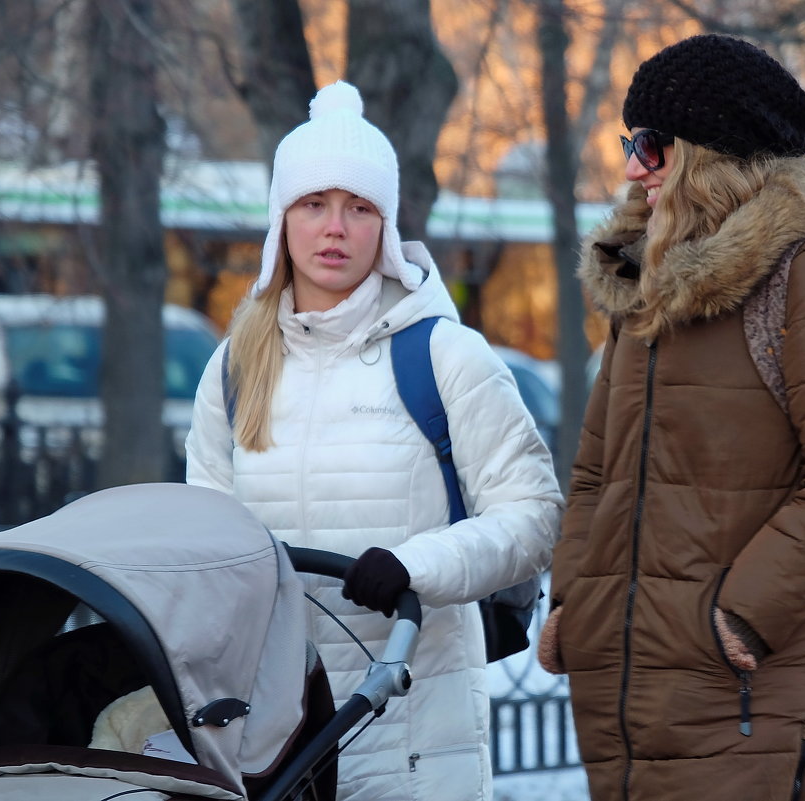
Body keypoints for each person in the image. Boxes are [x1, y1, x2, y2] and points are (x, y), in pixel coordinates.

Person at [541, 34, 805, 801]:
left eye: (651, 144)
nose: (633, 167)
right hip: (628, 696)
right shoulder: (645, 288)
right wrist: (575, 597)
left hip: (744, 694)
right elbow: (595, 472)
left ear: (711, 154)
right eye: (629, 142)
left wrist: (738, 618)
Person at [186, 80, 563, 801]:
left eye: (358, 208)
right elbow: (207, 543)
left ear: (385, 224)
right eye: (314, 204)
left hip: (411, 729)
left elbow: (532, 517)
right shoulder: (234, 367)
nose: (335, 228)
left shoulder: (446, 356)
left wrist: (414, 565)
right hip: (269, 738)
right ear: (281, 220)